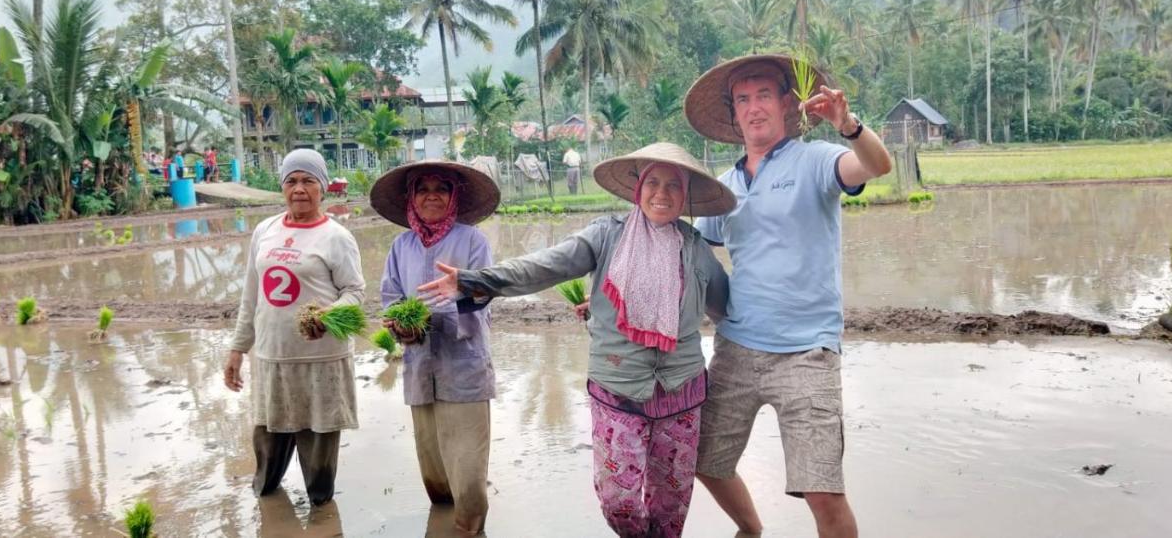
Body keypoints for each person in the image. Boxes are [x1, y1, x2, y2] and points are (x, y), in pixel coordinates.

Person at [419, 142, 734, 538]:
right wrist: (475, 279)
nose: (662, 193)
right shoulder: (606, 236)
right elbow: (545, 266)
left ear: (685, 195)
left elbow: (725, 311)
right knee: (619, 502)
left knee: (671, 508)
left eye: (674, 185)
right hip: (618, 389)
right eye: (653, 181)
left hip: (681, 393)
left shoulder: (696, 248)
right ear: (638, 188)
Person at [682, 54, 892, 538]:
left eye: (762, 96)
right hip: (736, 348)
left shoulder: (815, 160)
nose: (753, 108)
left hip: (807, 353)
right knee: (704, 458)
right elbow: (690, 258)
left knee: (822, 490)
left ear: (785, 104)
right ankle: (751, 528)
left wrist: (850, 125)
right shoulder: (724, 187)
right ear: (733, 114)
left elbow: (876, 166)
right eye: (742, 100)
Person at [223, 148, 366, 506]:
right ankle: (268, 507)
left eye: (308, 181)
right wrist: (238, 349)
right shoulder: (265, 231)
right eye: (292, 181)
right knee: (267, 457)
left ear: (323, 188)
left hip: (322, 360)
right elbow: (251, 295)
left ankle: (322, 517)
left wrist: (328, 315)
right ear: (282, 187)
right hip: (274, 356)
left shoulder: (337, 237)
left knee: (318, 463)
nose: (299, 189)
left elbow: (355, 293)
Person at [369, 160, 501, 536]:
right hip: (420, 367)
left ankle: (469, 529)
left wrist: (432, 315)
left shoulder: (472, 241)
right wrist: (402, 326)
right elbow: (391, 296)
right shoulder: (401, 245)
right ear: (411, 197)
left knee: (469, 477)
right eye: (422, 188)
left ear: (454, 195)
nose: (431, 195)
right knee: (436, 476)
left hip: (464, 368)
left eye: (441, 188)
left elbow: (482, 294)